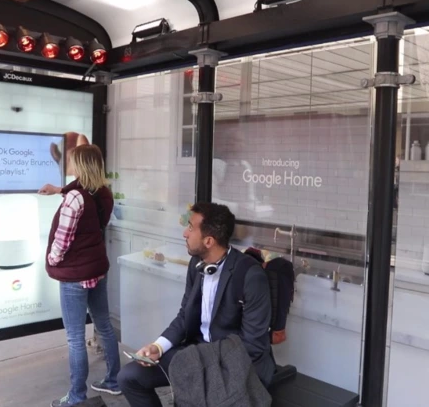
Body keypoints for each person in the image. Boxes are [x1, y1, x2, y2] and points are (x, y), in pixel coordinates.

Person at [117, 202, 275, 407]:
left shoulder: (250, 276)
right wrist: (158, 346)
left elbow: (253, 345)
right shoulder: (197, 264)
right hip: (195, 353)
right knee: (129, 378)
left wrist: (199, 361)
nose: (185, 233)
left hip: (234, 362)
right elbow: (185, 315)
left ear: (209, 241)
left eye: (191, 228)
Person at [41, 144, 121, 407]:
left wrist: (52, 259)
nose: (70, 165)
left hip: (75, 275)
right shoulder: (104, 193)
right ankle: (114, 381)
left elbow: (62, 240)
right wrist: (58, 190)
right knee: (104, 325)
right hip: (96, 269)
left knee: (75, 338)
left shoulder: (74, 198)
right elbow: (96, 221)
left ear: (81, 164)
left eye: (73, 161)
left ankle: (76, 396)